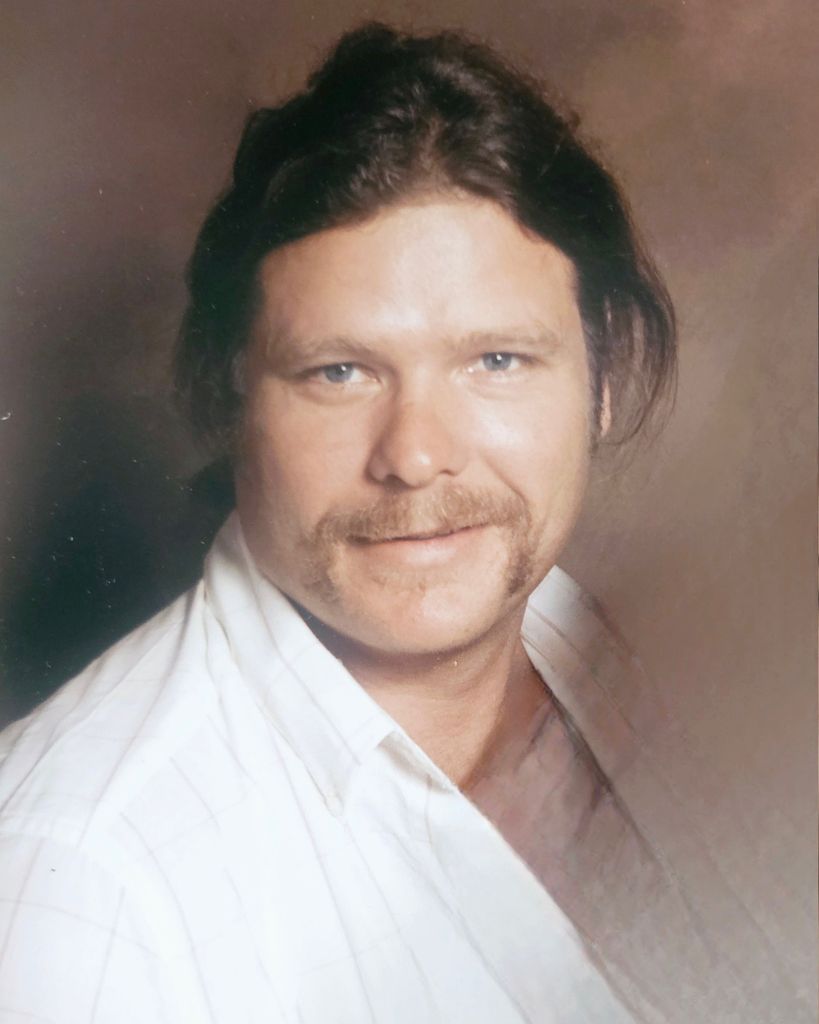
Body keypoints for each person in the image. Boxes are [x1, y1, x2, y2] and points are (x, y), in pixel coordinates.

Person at [0, 23, 806, 1024]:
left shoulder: (642, 667)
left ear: (599, 382)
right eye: (340, 372)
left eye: (496, 361)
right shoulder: (81, 887)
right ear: (232, 397)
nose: (417, 454)